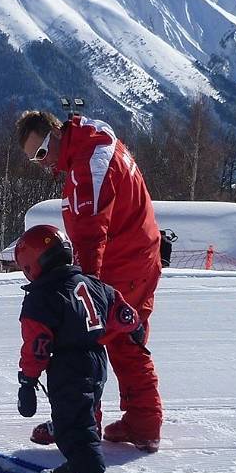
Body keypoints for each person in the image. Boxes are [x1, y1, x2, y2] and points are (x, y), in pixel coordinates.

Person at [15, 109, 163, 452]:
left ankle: (79, 422)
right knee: (127, 336)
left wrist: (85, 286)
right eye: (32, 160)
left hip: (121, 262)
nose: (42, 164)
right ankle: (143, 421)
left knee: (78, 342)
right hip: (139, 253)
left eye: (41, 153)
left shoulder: (88, 165)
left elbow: (89, 232)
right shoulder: (91, 139)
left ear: (56, 133)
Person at [14, 224, 145, 473]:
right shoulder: (92, 283)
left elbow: (38, 343)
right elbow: (121, 310)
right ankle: (77, 466)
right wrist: (134, 327)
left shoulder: (42, 297)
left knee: (74, 425)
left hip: (68, 365)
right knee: (78, 416)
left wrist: (28, 380)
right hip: (97, 360)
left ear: (32, 264)